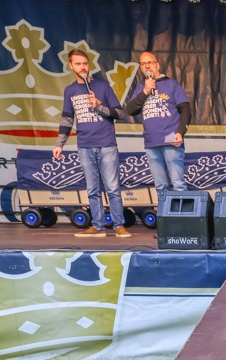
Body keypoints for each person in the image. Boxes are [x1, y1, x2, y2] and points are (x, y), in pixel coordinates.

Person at [53, 49, 130, 239]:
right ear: (71, 66)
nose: (82, 67)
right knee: (92, 189)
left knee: (112, 187)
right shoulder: (70, 90)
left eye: (85, 63)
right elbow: (67, 119)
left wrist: (99, 106)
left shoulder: (103, 87)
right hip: (85, 145)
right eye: (78, 64)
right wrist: (59, 144)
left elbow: (120, 113)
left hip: (106, 144)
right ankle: (97, 226)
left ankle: (119, 226)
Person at [124, 51, 191, 200]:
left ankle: (185, 220)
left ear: (157, 65)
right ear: (141, 68)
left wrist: (180, 132)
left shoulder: (171, 84)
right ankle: (166, 220)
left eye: (150, 62)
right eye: (143, 64)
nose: (147, 66)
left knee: (178, 183)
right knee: (160, 186)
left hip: (170, 137)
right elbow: (131, 109)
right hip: (151, 141)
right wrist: (146, 91)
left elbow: (185, 110)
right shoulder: (141, 88)